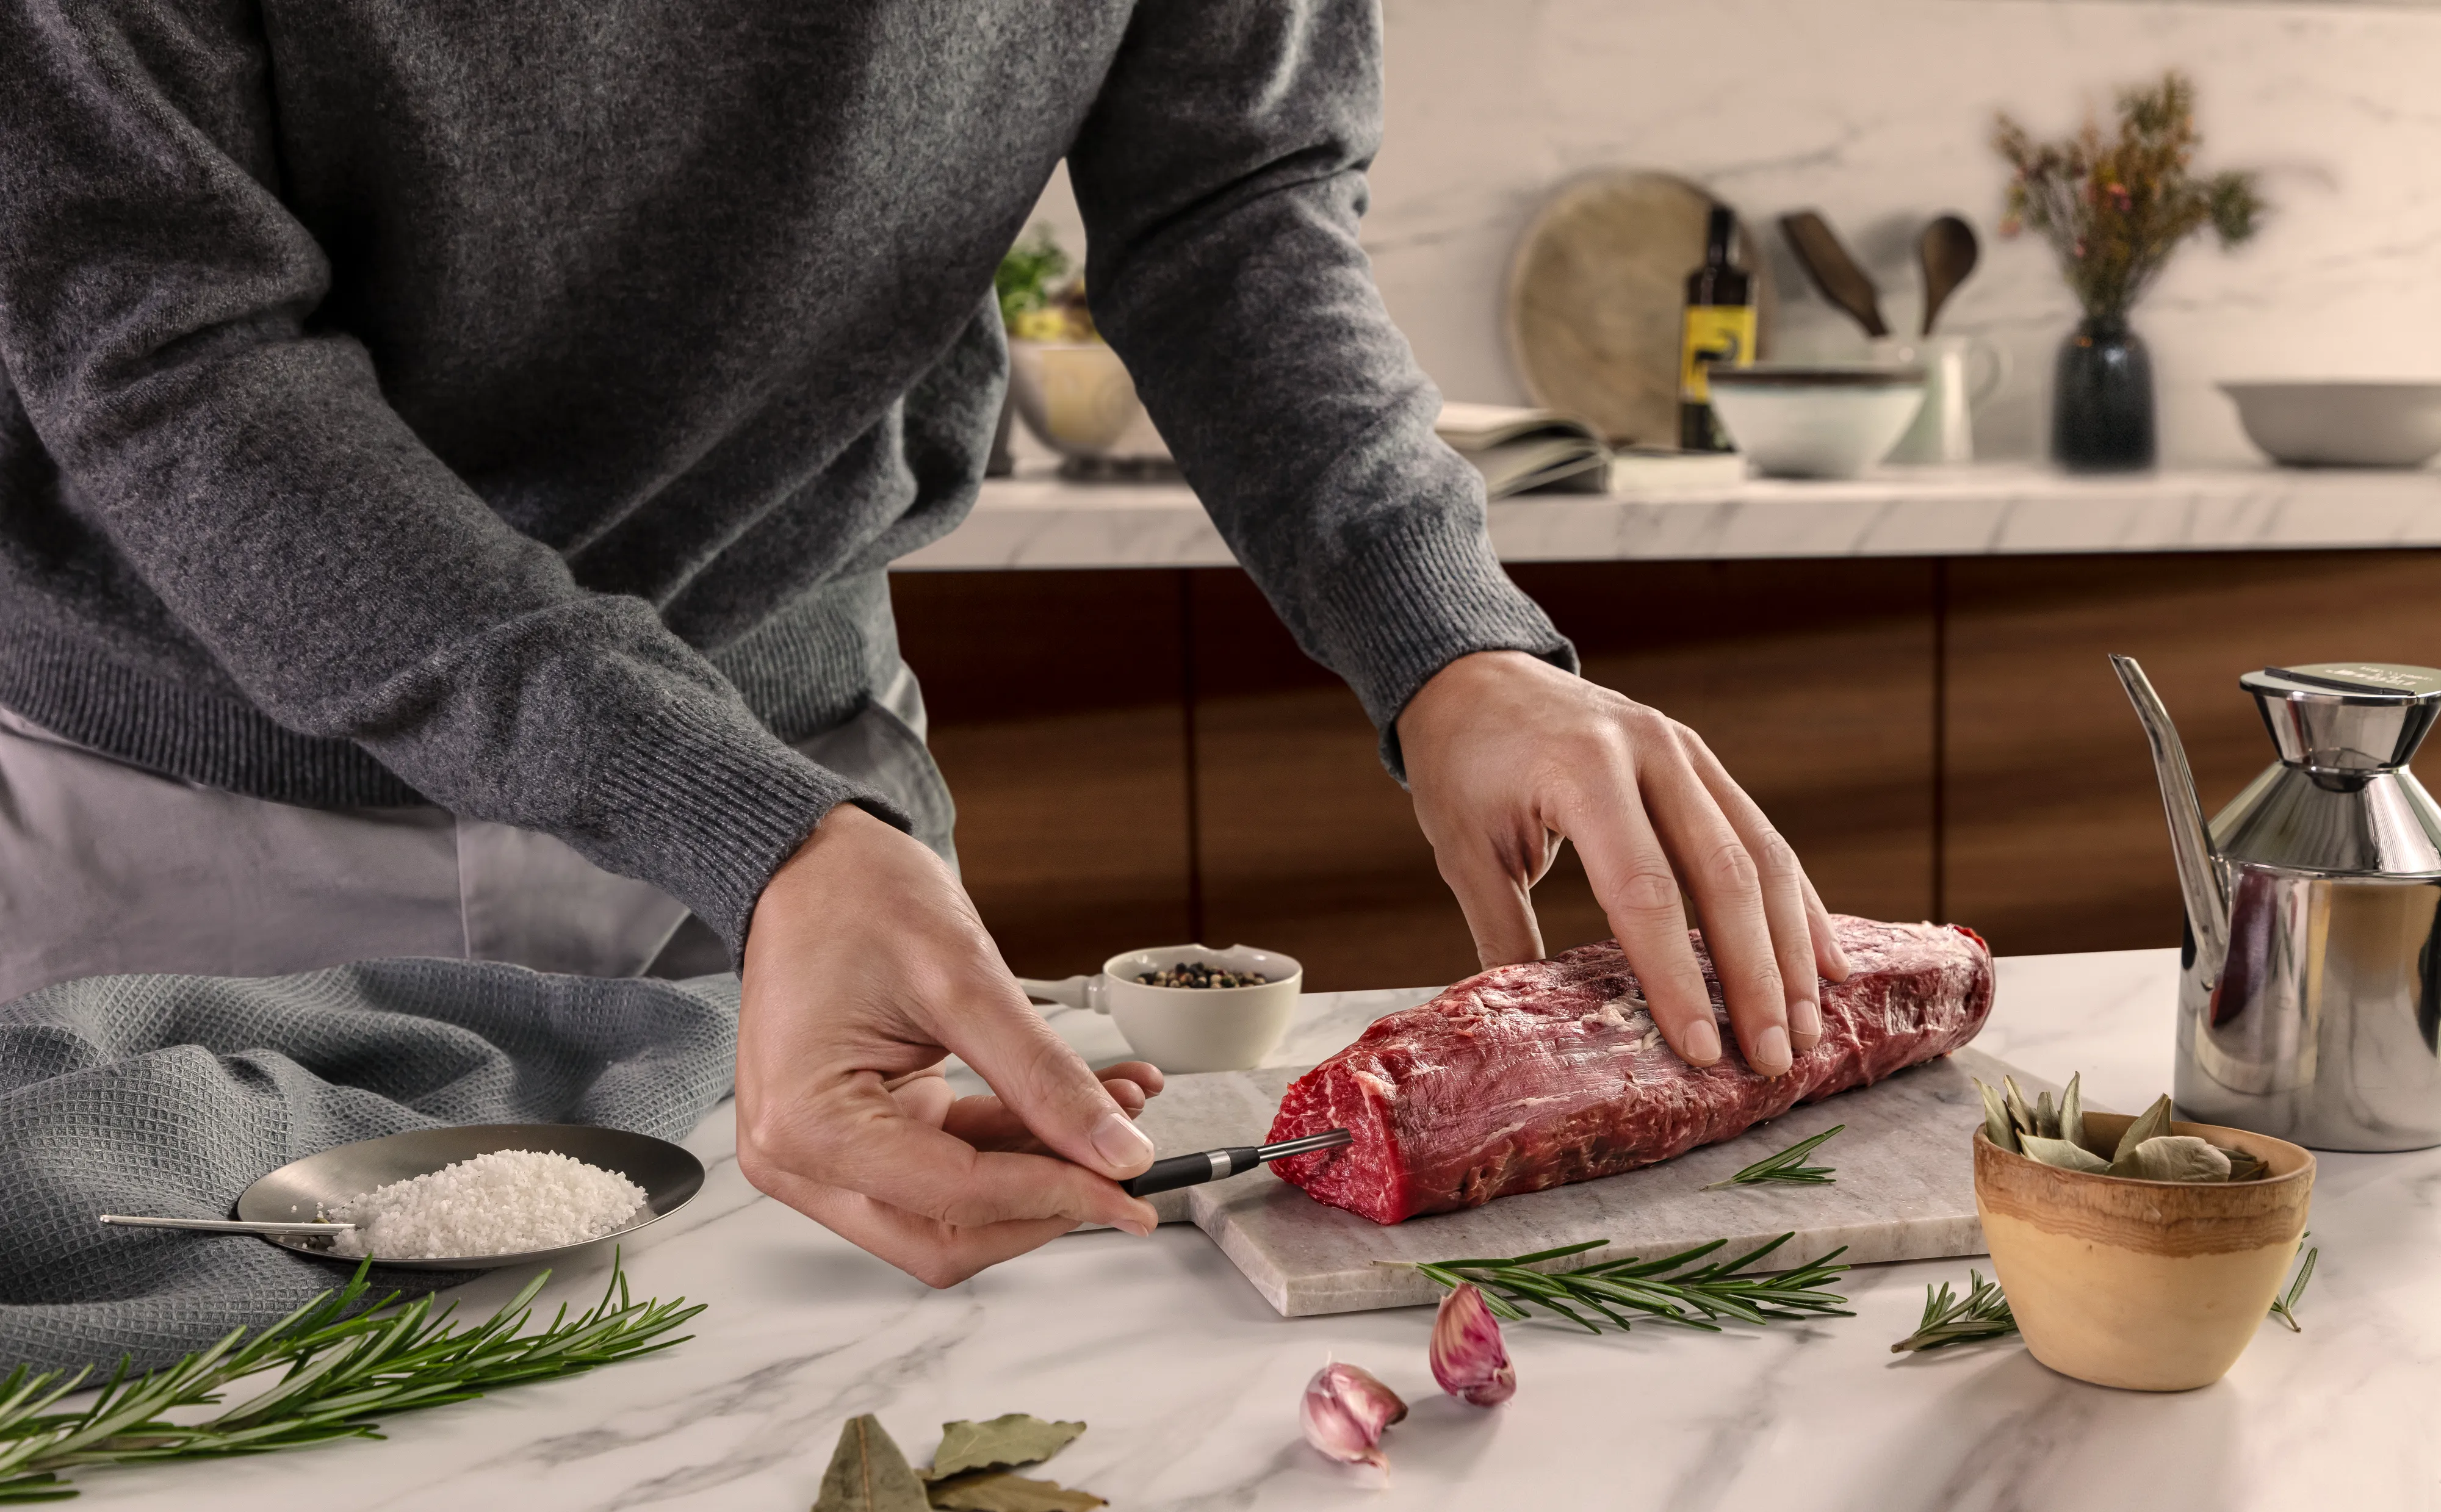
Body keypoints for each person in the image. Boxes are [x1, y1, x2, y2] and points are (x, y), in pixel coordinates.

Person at [0, 0, 1845, 1287]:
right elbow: (170, 354)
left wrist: (1451, 645)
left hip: (804, 819)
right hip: (179, 827)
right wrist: (740, 817)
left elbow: (1232, 199)